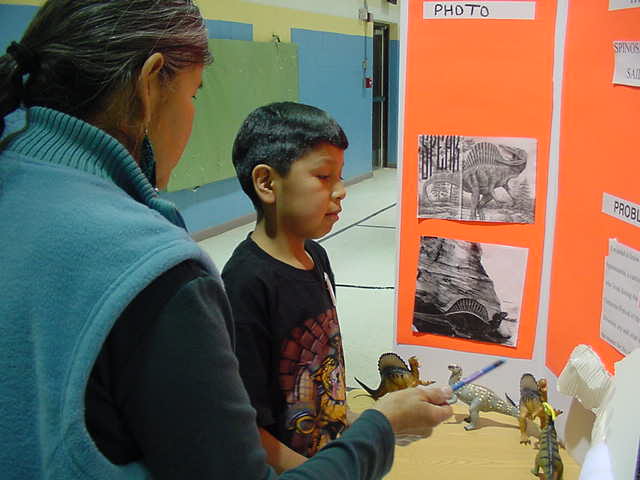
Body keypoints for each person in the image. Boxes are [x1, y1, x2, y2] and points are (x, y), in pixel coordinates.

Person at [0, 1, 452, 479]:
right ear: (151, 83)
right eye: (194, 94)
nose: (337, 191)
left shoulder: (19, 188)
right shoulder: (158, 269)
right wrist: (380, 428)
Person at [223, 102, 450, 473]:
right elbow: (248, 432)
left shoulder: (317, 257)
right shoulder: (244, 286)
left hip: (332, 456)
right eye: (324, 177)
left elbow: (321, 377)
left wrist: (367, 425)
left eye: (340, 176)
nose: (341, 191)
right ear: (266, 183)